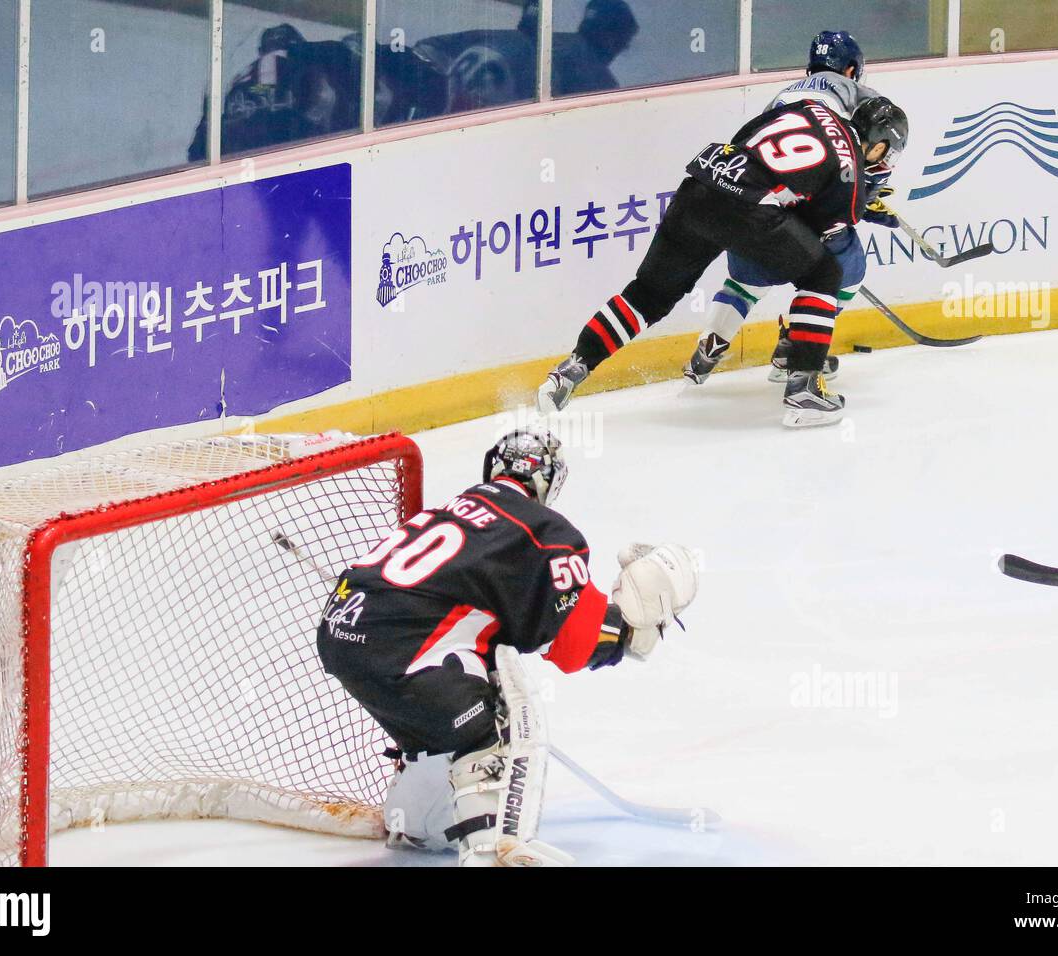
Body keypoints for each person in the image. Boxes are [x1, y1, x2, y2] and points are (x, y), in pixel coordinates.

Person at [317, 427, 699, 866]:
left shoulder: (451, 512)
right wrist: (637, 625)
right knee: (498, 718)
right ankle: (487, 853)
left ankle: (419, 826)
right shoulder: (545, 531)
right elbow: (573, 647)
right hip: (406, 652)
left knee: (456, 700)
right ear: (548, 482)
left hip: (341, 635)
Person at [536, 80, 908, 427]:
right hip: (747, 208)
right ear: (877, 144)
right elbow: (817, 228)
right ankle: (803, 391)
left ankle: (572, 368)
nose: (884, 161)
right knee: (824, 274)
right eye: (886, 152)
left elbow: (747, 140)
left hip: (701, 186)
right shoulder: (854, 170)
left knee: (649, 293)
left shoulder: (810, 107)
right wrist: (862, 209)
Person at [684, 31, 904, 390]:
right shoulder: (858, 95)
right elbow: (878, 138)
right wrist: (867, 196)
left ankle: (708, 347)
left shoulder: (783, 95)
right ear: (851, 69)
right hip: (811, 202)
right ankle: (795, 350)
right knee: (846, 270)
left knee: (745, 279)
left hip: (751, 201)